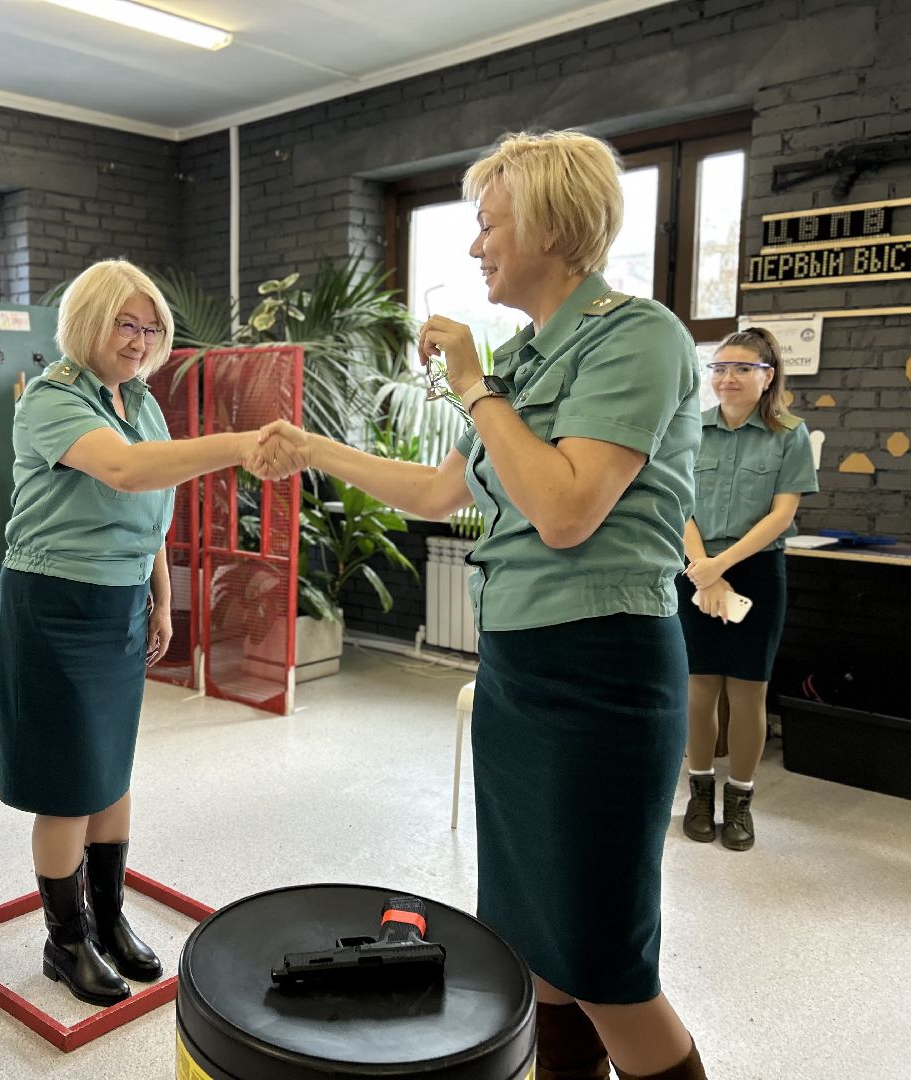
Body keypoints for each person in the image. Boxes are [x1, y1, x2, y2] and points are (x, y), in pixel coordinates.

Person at [259, 131, 708, 1079]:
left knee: (607, 967)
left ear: (550, 222)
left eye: (489, 224)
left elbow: (564, 509)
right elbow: (439, 493)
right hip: (519, 674)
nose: (475, 249)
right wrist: (314, 449)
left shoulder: (640, 335)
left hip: (603, 674)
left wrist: (472, 384)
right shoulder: (531, 356)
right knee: (539, 956)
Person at [0, 259, 300, 1006]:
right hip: (58, 602)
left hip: (122, 602)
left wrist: (162, 599)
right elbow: (128, 473)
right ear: (86, 325)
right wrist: (238, 445)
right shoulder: (51, 400)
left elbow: (153, 507)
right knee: (68, 782)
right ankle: (64, 941)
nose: (138, 340)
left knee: (112, 771)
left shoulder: (138, 401)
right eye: (123, 324)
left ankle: (108, 917)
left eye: (148, 327)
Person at [678, 328, 818, 851]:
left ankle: (739, 801)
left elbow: (783, 514)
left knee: (747, 691)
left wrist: (721, 566)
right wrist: (702, 566)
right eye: (719, 367)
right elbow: (679, 504)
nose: (727, 378)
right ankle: (698, 794)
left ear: (768, 377)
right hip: (695, 565)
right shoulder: (691, 429)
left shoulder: (790, 433)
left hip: (755, 571)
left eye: (742, 369)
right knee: (699, 691)